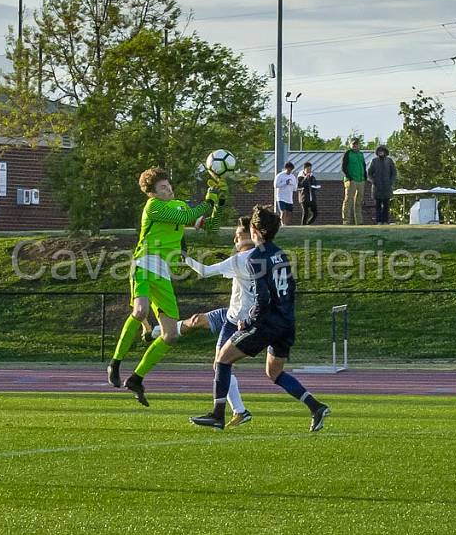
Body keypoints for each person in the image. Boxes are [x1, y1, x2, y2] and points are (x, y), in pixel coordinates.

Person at [190, 205, 330, 432]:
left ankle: (217, 414)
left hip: (268, 323)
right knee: (274, 372)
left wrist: (251, 321)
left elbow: (262, 297)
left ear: (255, 230)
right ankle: (315, 407)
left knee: (222, 360)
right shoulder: (280, 253)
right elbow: (290, 288)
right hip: (287, 322)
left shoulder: (255, 257)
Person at [106, 167, 223, 406]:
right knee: (140, 311)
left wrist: (218, 203)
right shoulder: (153, 207)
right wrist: (207, 201)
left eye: (169, 186)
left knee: (169, 335)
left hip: (163, 274)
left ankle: (136, 378)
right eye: (162, 187)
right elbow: (182, 219)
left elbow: (211, 227)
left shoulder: (179, 204)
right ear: (152, 193)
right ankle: (115, 363)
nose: (168, 189)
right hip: (145, 262)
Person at [173, 216, 259, 427]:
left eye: (238, 235)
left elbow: (204, 271)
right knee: (202, 331)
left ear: (251, 235)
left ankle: (230, 412)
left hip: (238, 321)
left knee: (222, 363)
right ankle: (238, 411)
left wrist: (185, 257)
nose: (234, 240)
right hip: (238, 315)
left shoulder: (240, 260)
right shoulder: (264, 257)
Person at [367, 145, 396, 225]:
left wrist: (391, 182)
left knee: (386, 205)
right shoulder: (374, 161)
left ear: (385, 152)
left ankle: (386, 221)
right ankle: (379, 221)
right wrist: (373, 181)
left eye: (382, 151)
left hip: (387, 187)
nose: (381, 153)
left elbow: (394, 173)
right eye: (379, 151)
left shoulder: (389, 161)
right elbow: (369, 173)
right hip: (377, 187)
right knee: (378, 205)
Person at [341, 138, 367, 225]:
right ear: (350, 145)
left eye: (356, 144)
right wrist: (349, 178)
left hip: (361, 180)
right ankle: (346, 221)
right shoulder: (347, 154)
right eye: (353, 144)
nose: (355, 146)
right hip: (351, 180)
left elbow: (363, 166)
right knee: (348, 201)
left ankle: (359, 222)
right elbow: (343, 167)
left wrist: (365, 178)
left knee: (358, 202)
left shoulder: (361, 154)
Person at [274, 162, 298, 226]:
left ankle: (286, 224)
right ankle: (282, 224)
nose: (290, 171)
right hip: (281, 197)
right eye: (289, 170)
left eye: (291, 170)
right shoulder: (280, 175)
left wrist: (291, 184)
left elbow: (295, 188)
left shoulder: (293, 177)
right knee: (283, 211)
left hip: (289, 198)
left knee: (289, 212)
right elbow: (275, 185)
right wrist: (285, 183)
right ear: (286, 168)